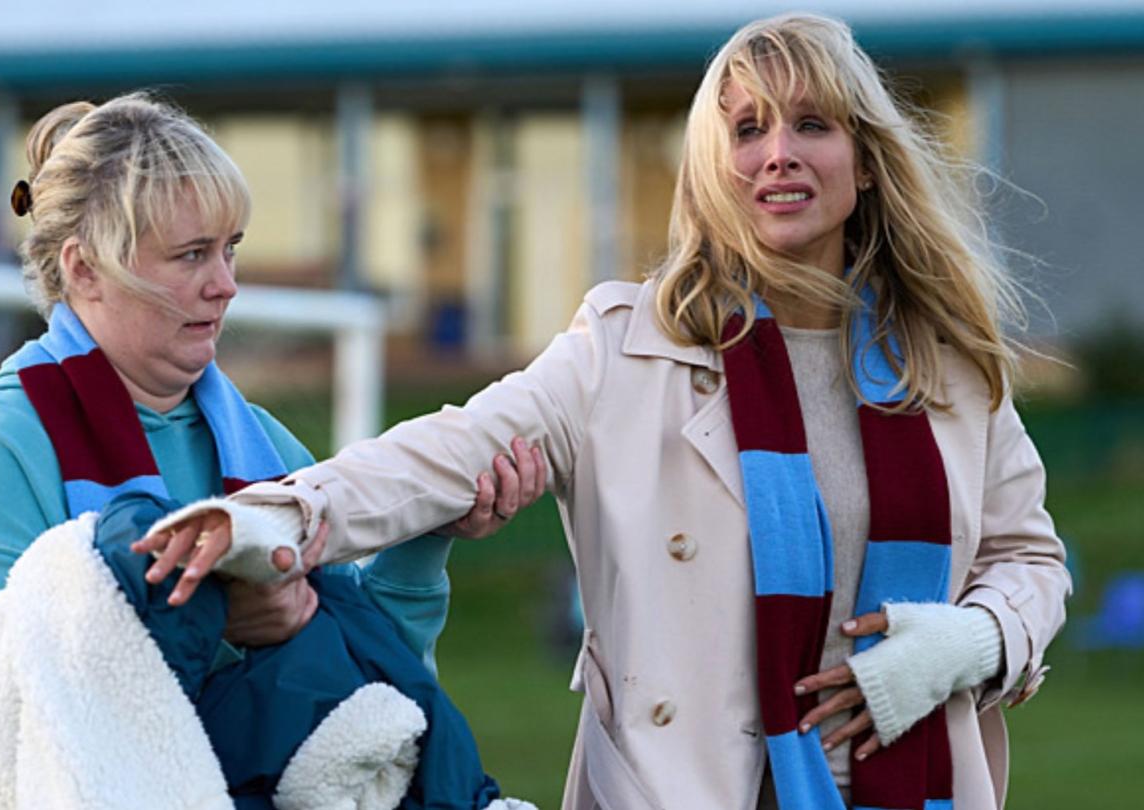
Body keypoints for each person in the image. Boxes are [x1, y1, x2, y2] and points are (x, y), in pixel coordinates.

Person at [150, 13, 1073, 810]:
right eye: (747, 130)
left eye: (812, 124)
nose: (778, 153)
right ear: (714, 169)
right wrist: (285, 512)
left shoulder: (943, 363)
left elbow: (1027, 556)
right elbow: (445, 450)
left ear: (865, 162)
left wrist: (972, 640)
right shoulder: (628, 345)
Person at [0, 91, 543, 810]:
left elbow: (366, 697)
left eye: (230, 248)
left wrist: (422, 533)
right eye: (191, 256)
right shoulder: (6, 441)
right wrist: (218, 620)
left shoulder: (262, 438)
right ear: (84, 269)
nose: (226, 284)